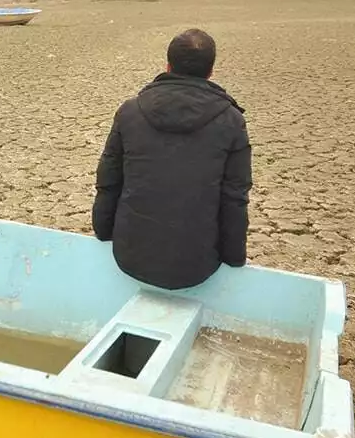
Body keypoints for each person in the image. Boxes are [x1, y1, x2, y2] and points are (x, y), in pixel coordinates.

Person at [92, 28, 251, 289]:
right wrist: (234, 259)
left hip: (129, 255)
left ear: (168, 66)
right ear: (210, 71)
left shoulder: (130, 112)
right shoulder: (232, 121)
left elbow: (109, 179)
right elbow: (234, 196)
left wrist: (103, 232)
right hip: (197, 266)